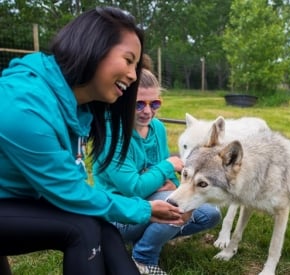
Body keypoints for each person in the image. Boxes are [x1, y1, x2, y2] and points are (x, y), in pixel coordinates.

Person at [0, 7, 185, 275]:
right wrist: (144, 209)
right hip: (10, 202)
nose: (134, 75)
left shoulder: (77, 108)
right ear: (93, 48)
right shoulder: (24, 109)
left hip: (12, 200)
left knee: (100, 226)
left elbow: (74, 188)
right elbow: (72, 194)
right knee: (81, 228)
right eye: (128, 60)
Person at [93, 68, 221, 275]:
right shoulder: (111, 134)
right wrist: (168, 166)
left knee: (210, 214)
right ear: (122, 100)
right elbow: (134, 188)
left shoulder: (157, 128)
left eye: (155, 104)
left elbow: (169, 181)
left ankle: (148, 238)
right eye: (139, 104)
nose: (148, 111)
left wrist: (171, 183)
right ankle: (143, 258)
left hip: (146, 203)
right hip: (118, 214)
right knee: (177, 206)